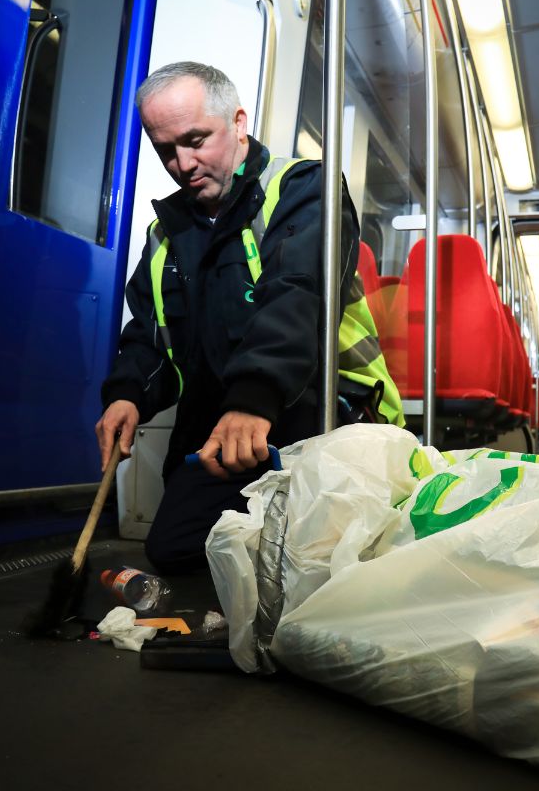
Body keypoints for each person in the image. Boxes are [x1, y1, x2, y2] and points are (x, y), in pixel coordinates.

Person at [95, 62, 397, 574]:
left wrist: (254, 397)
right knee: (172, 551)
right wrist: (128, 394)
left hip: (326, 413)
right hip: (225, 433)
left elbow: (297, 295)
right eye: (166, 149)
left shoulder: (305, 189)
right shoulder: (164, 236)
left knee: (315, 562)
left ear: (238, 123)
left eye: (196, 140)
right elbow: (151, 335)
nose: (182, 163)